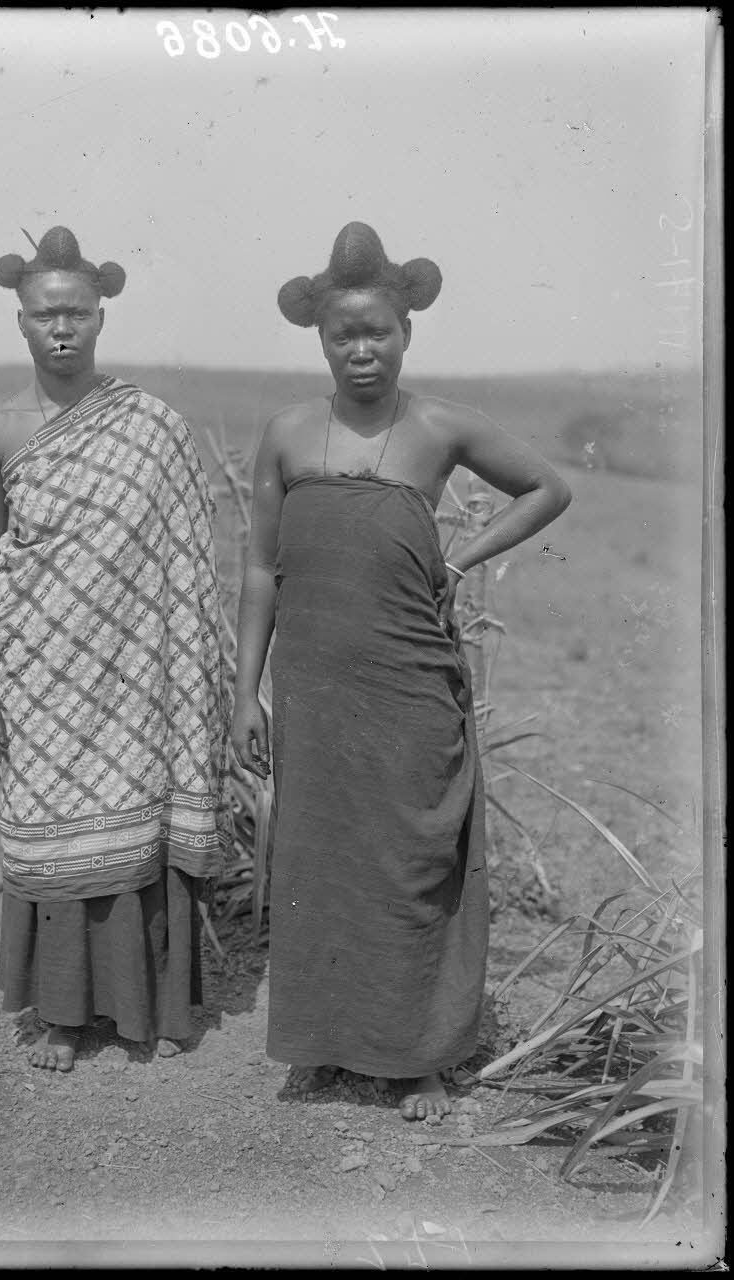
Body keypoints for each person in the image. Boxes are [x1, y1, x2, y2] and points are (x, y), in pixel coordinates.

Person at [231, 222, 571, 1119]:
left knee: (410, 853)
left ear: (405, 331)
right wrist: (244, 694)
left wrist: (460, 559)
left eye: (376, 332)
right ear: (320, 340)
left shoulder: (439, 425)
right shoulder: (286, 433)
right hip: (312, 686)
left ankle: (416, 1057)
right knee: (321, 855)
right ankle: (326, 1040)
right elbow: (259, 567)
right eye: (342, 335)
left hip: (409, 679)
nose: (361, 350)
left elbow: (547, 487)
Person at [0, 226, 231, 1072]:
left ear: (101, 316)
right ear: (20, 321)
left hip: (136, 669)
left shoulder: (152, 426)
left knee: (138, 823)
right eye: (45, 315)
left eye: (76, 313)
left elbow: (186, 554)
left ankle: (146, 1004)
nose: (61, 329)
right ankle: (59, 1013)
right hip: (38, 669)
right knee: (48, 831)